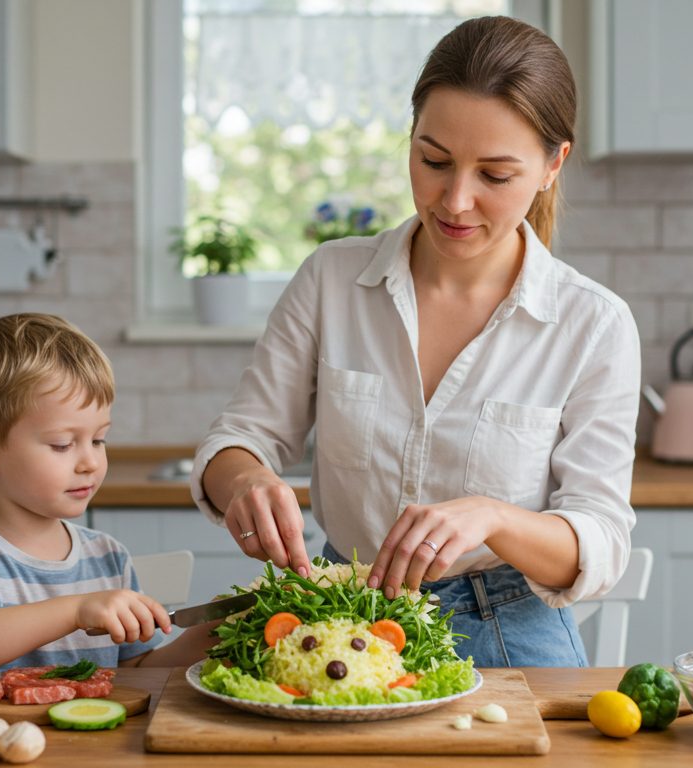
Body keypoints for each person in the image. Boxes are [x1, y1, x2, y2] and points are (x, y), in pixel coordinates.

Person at [190, 17, 640, 667]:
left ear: (551, 165)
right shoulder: (332, 280)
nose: (456, 200)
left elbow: (599, 539)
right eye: (433, 161)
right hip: (340, 617)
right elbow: (236, 442)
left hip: (507, 630)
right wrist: (247, 482)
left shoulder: (592, 324)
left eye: (495, 174)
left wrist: (493, 518)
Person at [0, 313, 218, 678]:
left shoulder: (108, 558)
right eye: (62, 444)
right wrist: (75, 611)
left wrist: (205, 637)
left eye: (99, 439)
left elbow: (136, 673)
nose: (90, 462)